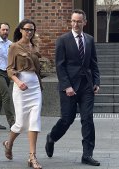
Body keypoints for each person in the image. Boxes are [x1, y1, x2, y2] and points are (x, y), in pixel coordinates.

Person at [45, 9, 101, 166]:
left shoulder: (89, 40)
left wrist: (96, 82)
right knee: (67, 119)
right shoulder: (63, 40)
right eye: (73, 21)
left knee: (87, 119)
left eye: (79, 21)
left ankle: (87, 155)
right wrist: (67, 86)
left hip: (87, 87)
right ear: (71, 22)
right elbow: (60, 66)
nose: (76, 24)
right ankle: (52, 137)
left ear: (85, 22)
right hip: (69, 87)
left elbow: (94, 63)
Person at [2, 19, 43, 169]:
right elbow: (9, 69)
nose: (29, 32)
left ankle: (32, 156)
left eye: (32, 30)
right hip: (21, 86)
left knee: (34, 121)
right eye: (27, 29)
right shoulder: (14, 47)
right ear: (20, 30)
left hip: (35, 86)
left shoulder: (34, 46)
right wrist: (18, 82)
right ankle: (9, 143)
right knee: (20, 123)